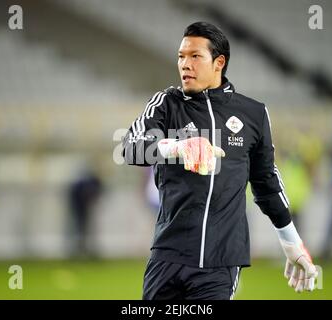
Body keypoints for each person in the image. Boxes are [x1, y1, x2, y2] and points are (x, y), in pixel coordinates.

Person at [121, 22, 317, 300]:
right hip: (167, 257)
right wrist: (179, 147)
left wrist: (292, 242)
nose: (184, 64)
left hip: (221, 263)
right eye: (181, 56)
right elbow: (130, 148)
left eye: (195, 56)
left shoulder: (253, 114)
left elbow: (266, 182)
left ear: (219, 62)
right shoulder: (166, 103)